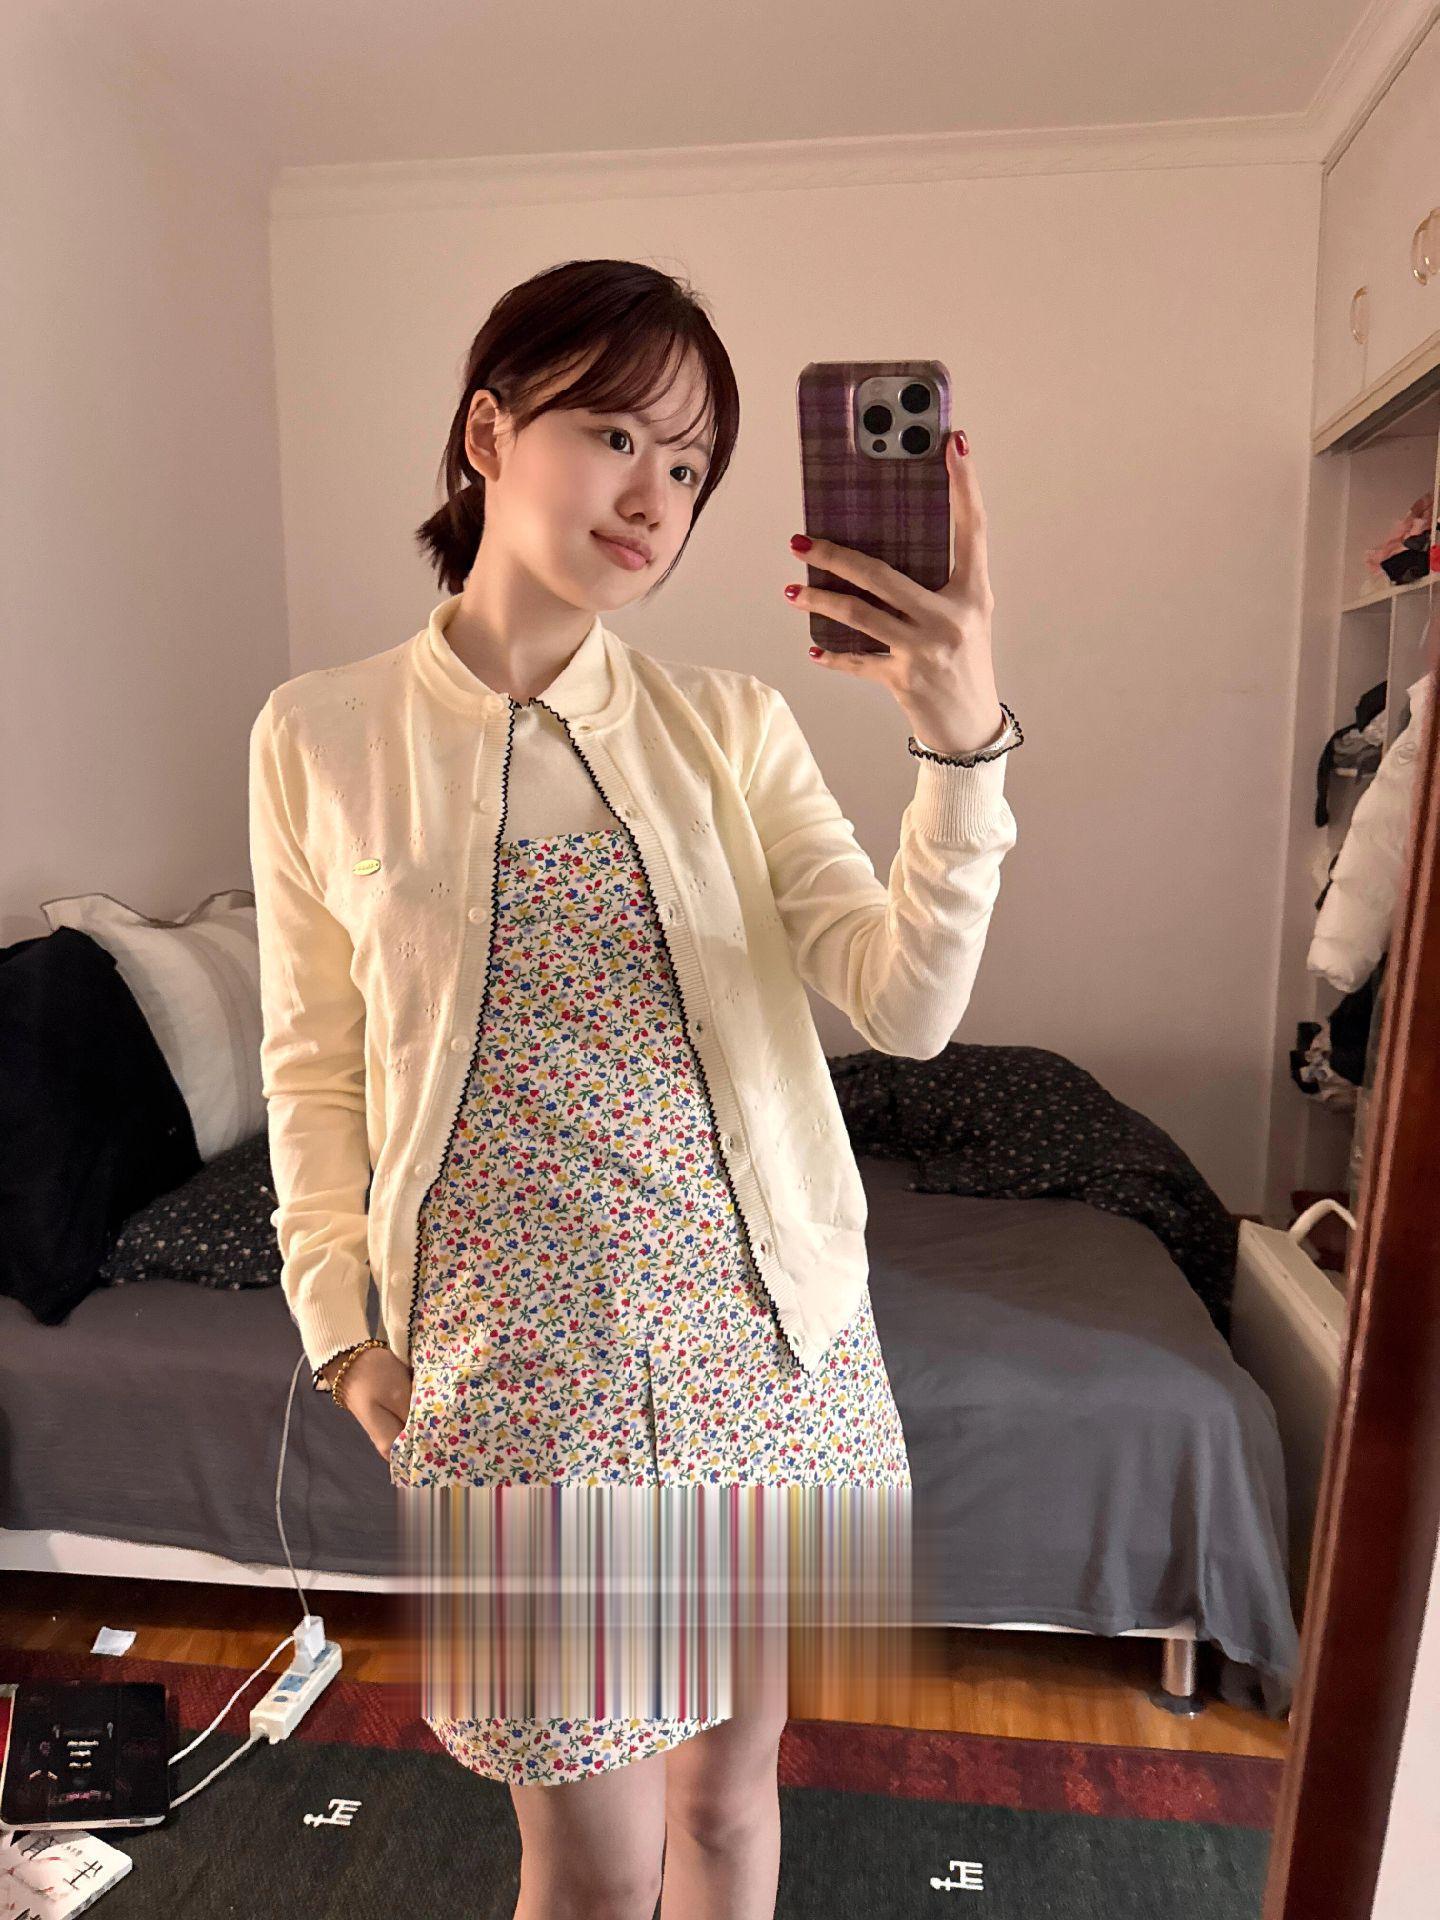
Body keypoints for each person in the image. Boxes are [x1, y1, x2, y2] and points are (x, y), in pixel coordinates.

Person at [251, 256, 1023, 1920]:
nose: (655, 498)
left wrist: (961, 751)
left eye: (690, 467)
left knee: (729, 1811)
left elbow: (907, 1007)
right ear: (487, 432)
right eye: (615, 435)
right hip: (524, 1374)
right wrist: (339, 1322)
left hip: (766, 1350)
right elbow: (310, 1060)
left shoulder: (731, 726)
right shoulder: (318, 735)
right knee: (593, 1872)